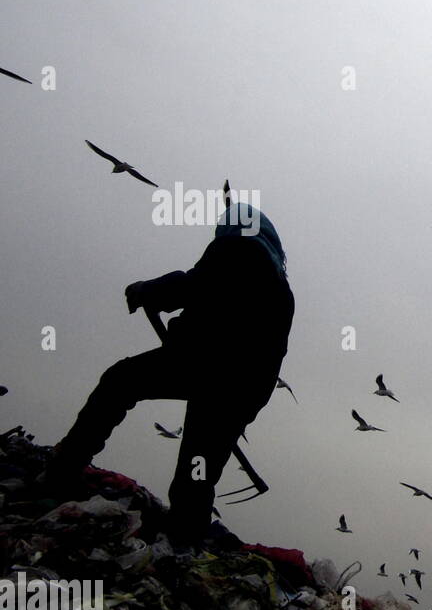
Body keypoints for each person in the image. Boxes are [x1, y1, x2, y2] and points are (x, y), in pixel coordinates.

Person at [44, 203, 294, 544]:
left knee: (121, 380)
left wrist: (146, 289)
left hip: (205, 364)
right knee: (198, 466)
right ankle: (185, 536)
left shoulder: (239, 247)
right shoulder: (280, 285)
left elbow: (194, 285)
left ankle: (65, 466)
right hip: (244, 388)